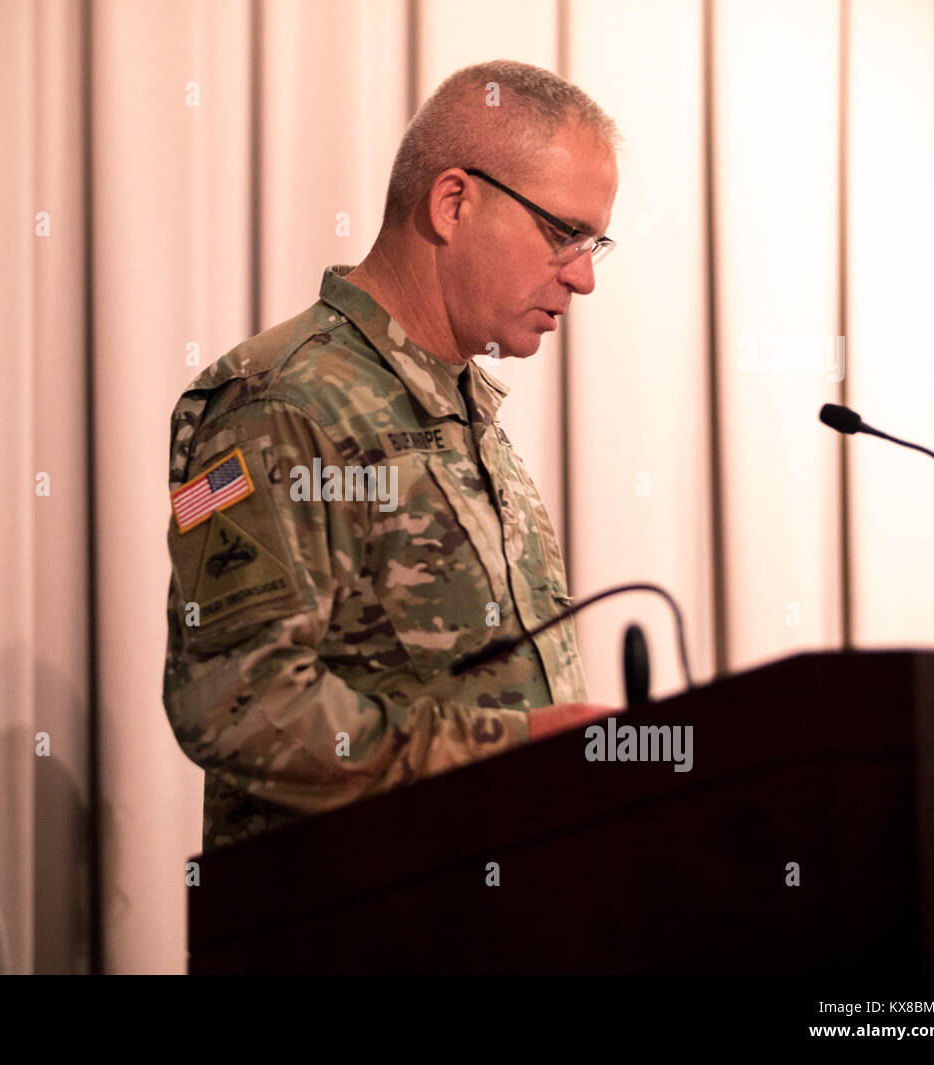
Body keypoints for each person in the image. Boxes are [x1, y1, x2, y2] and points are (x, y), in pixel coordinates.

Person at [163, 59, 620, 852]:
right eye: (562, 234)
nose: (582, 277)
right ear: (453, 202)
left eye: (593, 244)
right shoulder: (276, 402)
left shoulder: (460, 401)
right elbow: (235, 702)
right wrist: (510, 750)